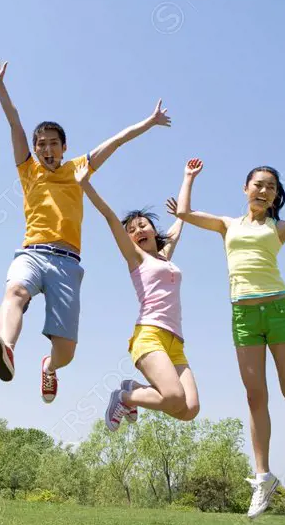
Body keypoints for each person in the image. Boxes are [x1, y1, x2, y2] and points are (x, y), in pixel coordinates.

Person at [0, 59, 171, 403]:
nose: (47, 149)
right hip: (32, 253)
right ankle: (7, 348)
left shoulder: (78, 168)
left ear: (64, 147)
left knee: (65, 352)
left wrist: (149, 122)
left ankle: (49, 367)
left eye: (54, 143)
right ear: (35, 149)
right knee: (16, 293)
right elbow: (14, 123)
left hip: (68, 263)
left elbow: (116, 141)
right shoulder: (28, 170)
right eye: (42, 144)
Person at [176, 157, 285, 519]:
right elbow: (185, 212)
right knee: (254, 396)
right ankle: (263, 477)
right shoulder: (226, 224)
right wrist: (188, 177)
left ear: (276, 195)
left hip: (279, 311)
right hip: (244, 315)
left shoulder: (279, 228)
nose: (264, 190)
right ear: (246, 188)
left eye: (271, 187)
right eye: (258, 184)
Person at [75, 163, 199, 430]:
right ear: (129, 240)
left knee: (189, 409)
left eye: (143, 225)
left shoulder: (165, 258)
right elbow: (109, 216)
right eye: (132, 230)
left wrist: (187, 178)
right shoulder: (136, 259)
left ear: (153, 230)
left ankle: (133, 390)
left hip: (175, 342)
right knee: (174, 396)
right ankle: (124, 397)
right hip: (150, 334)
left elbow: (182, 219)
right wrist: (86, 184)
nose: (139, 230)